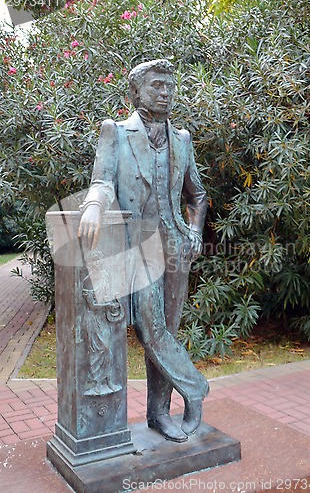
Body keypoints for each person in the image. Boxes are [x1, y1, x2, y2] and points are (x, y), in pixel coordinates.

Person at [78, 59, 209, 443]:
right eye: (157, 85)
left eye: (170, 85)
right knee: (151, 329)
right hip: (135, 247)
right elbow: (101, 181)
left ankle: (158, 414)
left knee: (168, 329)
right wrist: (94, 205)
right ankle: (196, 387)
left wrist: (195, 232)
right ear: (135, 93)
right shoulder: (115, 133)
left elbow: (196, 195)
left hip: (175, 247)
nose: (166, 92)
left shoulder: (182, 139)